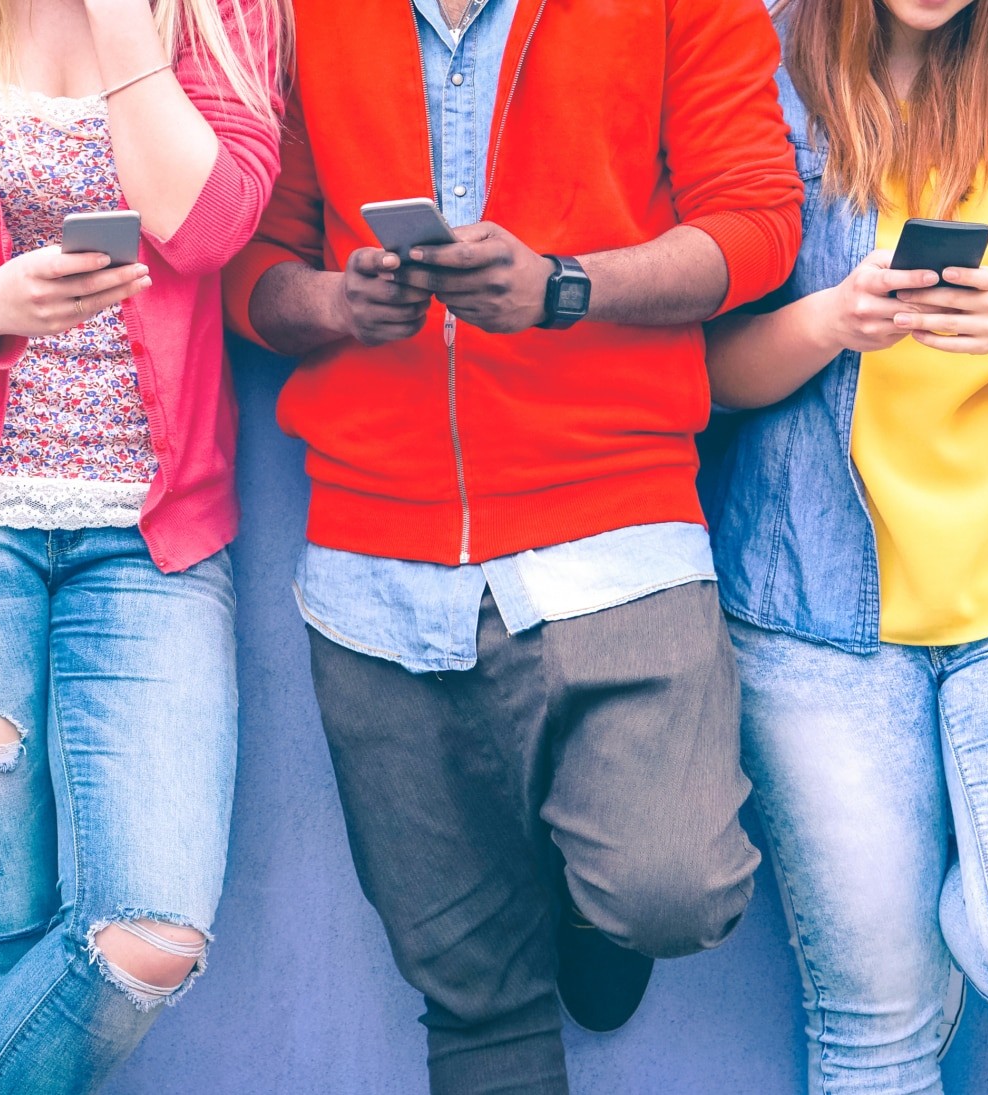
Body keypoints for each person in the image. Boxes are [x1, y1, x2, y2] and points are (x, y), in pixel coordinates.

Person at [222, 0, 800, 1087]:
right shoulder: (295, 12)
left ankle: (595, 909)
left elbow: (760, 224)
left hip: (616, 530)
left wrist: (563, 287)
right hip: (373, 568)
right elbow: (247, 263)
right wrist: (338, 303)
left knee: (668, 888)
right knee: (472, 999)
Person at [702, 0, 988, 1089]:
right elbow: (699, 378)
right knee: (874, 1024)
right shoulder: (756, 94)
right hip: (815, 621)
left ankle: (954, 906)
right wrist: (830, 322)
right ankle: (904, 965)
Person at [0, 0, 281, 1089]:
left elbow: (209, 229)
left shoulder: (226, 15)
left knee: (150, 932)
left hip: (152, 542)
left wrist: (128, 27)